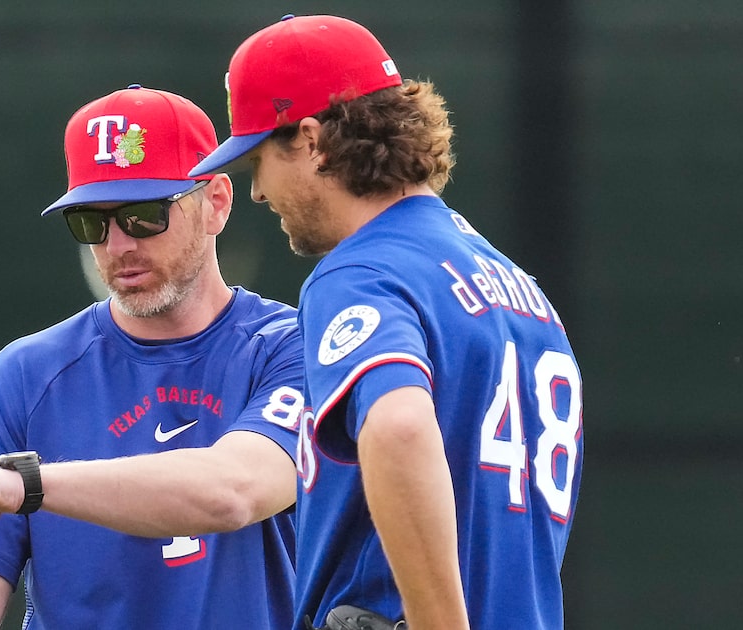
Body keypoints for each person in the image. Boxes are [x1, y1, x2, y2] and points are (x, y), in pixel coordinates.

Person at [0, 84, 304, 630]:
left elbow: (235, 491)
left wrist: (24, 485)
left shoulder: (290, 346)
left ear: (217, 203)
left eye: (143, 214)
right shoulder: (26, 373)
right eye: (91, 222)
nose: (118, 246)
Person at [190, 14, 584, 630]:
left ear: (313, 140)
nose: (260, 192)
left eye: (261, 158)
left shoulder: (361, 272)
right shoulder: (521, 291)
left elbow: (398, 427)